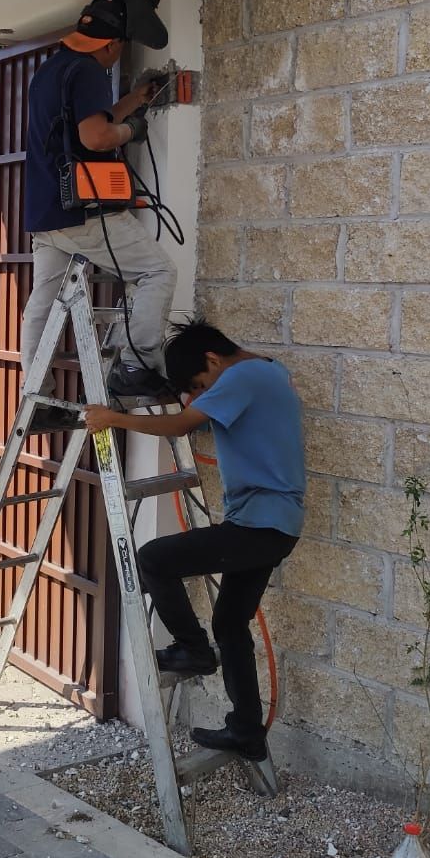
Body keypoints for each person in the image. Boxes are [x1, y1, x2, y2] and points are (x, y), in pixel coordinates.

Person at [82, 319, 305, 763]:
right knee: (230, 622)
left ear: (212, 359)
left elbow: (184, 425)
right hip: (273, 525)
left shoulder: (243, 375)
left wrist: (112, 418)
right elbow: (201, 416)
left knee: (154, 558)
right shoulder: (268, 371)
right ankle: (247, 731)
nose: (201, 396)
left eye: (202, 384)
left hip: (258, 525)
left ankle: (192, 649)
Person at [21, 0, 177, 428]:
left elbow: (85, 122)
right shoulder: (88, 70)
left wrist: (134, 101)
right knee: (156, 272)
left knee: (44, 303)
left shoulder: (52, 70)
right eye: (117, 53)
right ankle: (134, 367)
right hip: (85, 211)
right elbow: (95, 137)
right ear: (111, 44)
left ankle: (36, 399)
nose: (114, 60)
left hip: (46, 213)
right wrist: (132, 131)